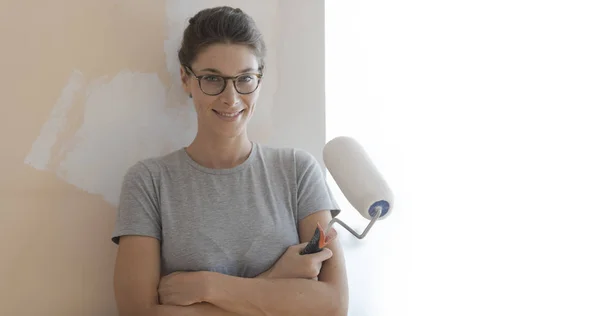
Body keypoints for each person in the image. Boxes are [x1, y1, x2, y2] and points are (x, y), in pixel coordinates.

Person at [111, 6, 349, 316]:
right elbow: (139, 313)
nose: (231, 98)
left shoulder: (298, 171)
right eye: (212, 79)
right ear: (186, 78)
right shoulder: (148, 182)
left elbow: (333, 305)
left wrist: (208, 287)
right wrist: (276, 282)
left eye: (245, 79)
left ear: (259, 80)